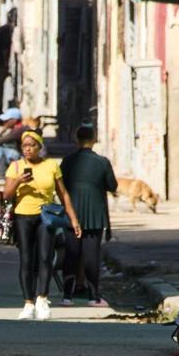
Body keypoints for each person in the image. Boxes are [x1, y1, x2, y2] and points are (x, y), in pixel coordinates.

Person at [1, 130, 82, 321]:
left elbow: (64, 194)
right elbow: (6, 194)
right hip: (23, 217)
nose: (28, 149)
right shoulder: (16, 166)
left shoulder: (51, 166)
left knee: (45, 258)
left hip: (46, 217)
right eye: (24, 146)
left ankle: (42, 299)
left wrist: (73, 219)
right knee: (26, 260)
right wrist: (19, 180)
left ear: (40, 147)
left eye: (32, 145)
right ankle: (28, 302)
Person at [59, 124, 117, 308]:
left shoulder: (68, 161)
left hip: (72, 213)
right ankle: (94, 296)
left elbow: (61, 185)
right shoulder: (102, 162)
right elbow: (112, 185)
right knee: (91, 256)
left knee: (71, 254)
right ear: (93, 139)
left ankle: (67, 296)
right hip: (95, 214)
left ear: (77, 139)